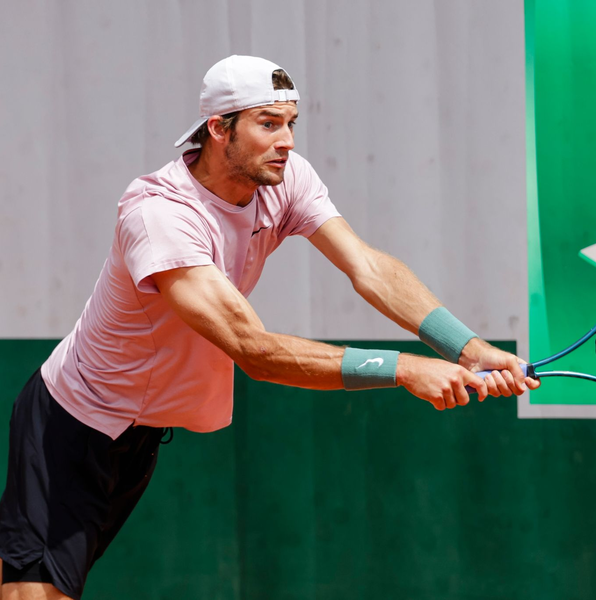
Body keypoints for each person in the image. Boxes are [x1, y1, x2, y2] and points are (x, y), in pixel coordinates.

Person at [0, 55, 538, 600]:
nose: (287, 141)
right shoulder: (160, 216)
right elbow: (252, 350)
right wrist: (402, 368)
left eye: (291, 124)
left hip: (141, 433)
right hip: (71, 421)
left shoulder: (286, 179)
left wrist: (466, 347)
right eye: (268, 124)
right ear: (218, 129)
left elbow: (367, 267)